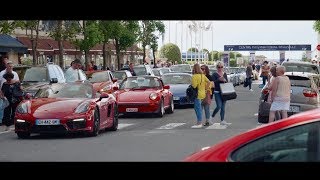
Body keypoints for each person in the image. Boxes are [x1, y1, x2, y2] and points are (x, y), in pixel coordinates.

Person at [210, 61, 231, 126]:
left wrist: (225, 81)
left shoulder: (224, 74)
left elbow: (227, 82)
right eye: (219, 67)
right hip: (217, 92)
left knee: (223, 107)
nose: (220, 68)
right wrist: (219, 79)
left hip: (224, 92)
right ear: (216, 67)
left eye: (221, 67)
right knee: (219, 106)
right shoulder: (214, 74)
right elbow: (213, 83)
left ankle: (222, 120)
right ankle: (212, 116)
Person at [191, 63, 210, 128]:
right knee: (198, 108)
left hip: (197, 94)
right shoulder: (202, 75)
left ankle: (199, 123)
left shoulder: (194, 76)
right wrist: (206, 89)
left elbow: (194, 86)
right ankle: (199, 122)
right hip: (203, 93)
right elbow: (209, 82)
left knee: (197, 108)